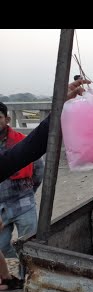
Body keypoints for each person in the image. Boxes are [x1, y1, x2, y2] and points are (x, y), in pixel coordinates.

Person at [0, 78, 90, 292]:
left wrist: (58, 108)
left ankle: (22, 282)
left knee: (29, 246)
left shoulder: (15, 141)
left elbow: (26, 154)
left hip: (23, 203)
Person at [0, 102, 44, 258]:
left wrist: (29, 192)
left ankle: (26, 273)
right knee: (2, 248)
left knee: (30, 246)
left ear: (7, 119)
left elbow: (38, 170)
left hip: (23, 203)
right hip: (1, 207)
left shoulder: (21, 142)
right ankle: (17, 268)